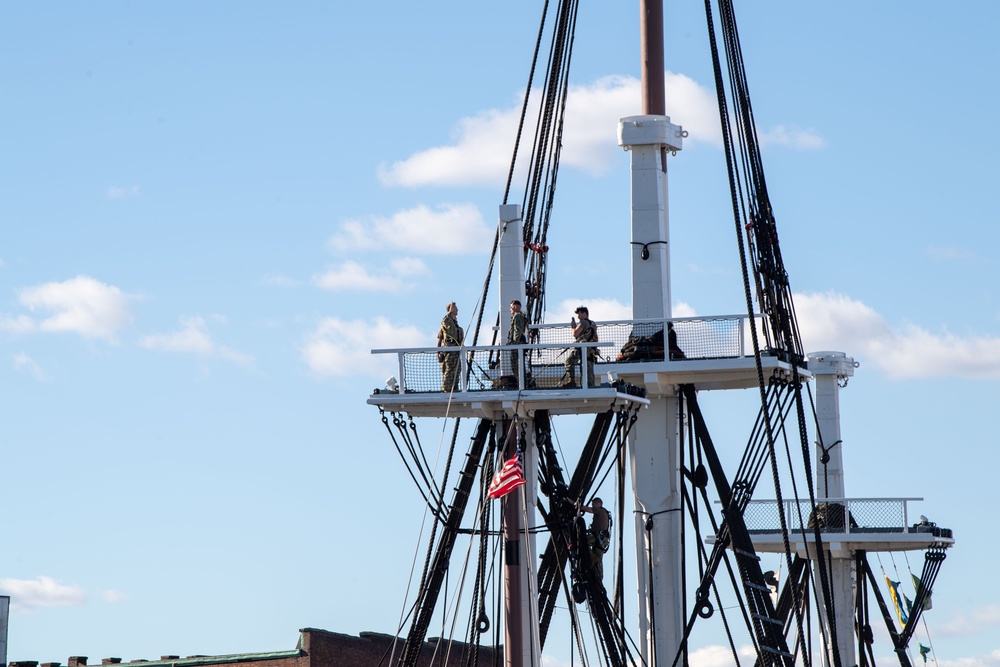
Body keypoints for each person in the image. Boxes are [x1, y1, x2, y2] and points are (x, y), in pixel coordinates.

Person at [562, 306, 597, 388]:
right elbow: (595, 337)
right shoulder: (593, 324)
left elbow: (575, 334)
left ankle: (572, 381)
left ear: (584, 313)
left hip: (581, 349)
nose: (578, 316)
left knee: (568, 362)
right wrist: (595, 348)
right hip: (590, 349)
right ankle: (590, 385)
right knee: (588, 368)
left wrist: (573, 326)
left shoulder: (583, 322)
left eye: (579, 314)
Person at [580, 497, 611, 580]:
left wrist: (577, 505)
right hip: (601, 541)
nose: (593, 506)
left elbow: (589, 510)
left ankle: (592, 557)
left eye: (594, 504)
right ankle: (599, 582)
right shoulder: (604, 513)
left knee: (582, 541)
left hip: (598, 538)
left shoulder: (600, 510)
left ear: (599, 504)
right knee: (598, 563)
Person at [437, 302, 464, 392]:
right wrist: (438, 354)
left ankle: (454, 387)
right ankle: (446, 389)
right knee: (449, 370)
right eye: (455, 308)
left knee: (457, 369)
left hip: (456, 351)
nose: (458, 310)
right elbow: (439, 340)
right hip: (449, 351)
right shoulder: (447, 323)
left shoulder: (457, 327)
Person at [507, 299, 527, 383]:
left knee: (516, 365)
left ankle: (521, 381)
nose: (510, 309)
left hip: (517, 344)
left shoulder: (517, 316)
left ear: (515, 307)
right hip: (519, 343)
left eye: (511, 307)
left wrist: (515, 345)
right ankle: (522, 380)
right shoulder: (521, 316)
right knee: (519, 364)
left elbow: (517, 331)